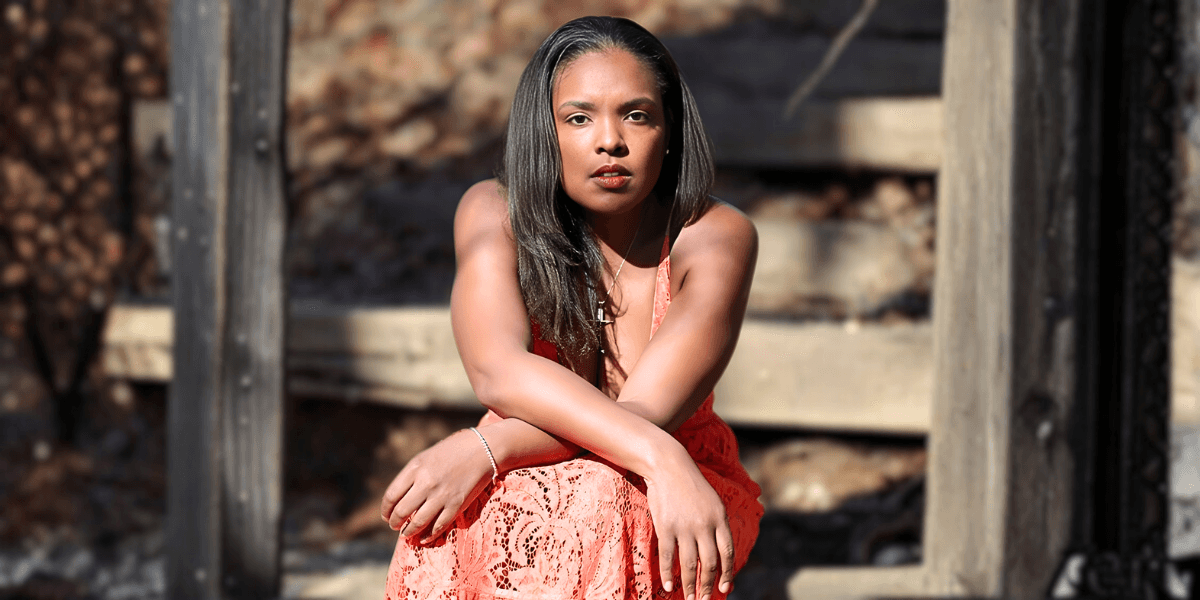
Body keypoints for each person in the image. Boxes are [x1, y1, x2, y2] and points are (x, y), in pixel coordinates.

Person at [381, 15, 762, 600]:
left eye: (636, 114)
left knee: (597, 500)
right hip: (568, 468)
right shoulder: (493, 214)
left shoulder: (713, 236)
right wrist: (488, 456)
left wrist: (489, 446)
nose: (610, 140)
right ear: (544, 131)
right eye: (579, 118)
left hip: (680, 476)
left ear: (671, 131)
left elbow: (647, 415)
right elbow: (498, 370)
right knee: (451, 516)